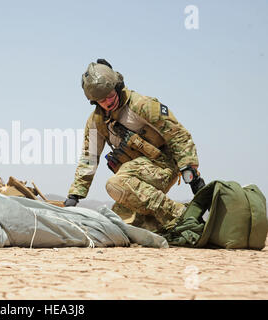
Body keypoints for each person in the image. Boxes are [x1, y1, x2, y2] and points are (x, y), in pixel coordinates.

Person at [63, 59, 205, 233]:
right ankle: (171, 226)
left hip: (163, 166)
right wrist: (75, 195)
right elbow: (89, 158)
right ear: (94, 101)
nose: (108, 102)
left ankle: (181, 215)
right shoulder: (96, 122)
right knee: (122, 222)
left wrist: (190, 171)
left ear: (117, 86)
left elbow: (177, 134)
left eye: (110, 95)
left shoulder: (141, 105)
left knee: (115, 184)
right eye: (101, 100)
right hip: (134, 177)